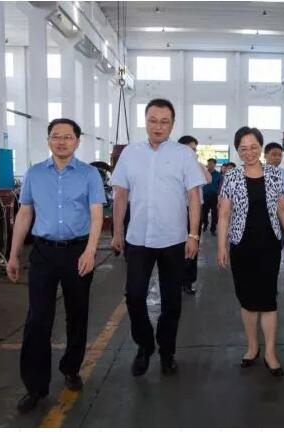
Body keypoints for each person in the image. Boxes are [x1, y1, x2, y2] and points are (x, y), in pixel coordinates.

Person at [6, 118, 105, 413]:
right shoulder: (35, 174)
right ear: (48, 140)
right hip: (43, 254)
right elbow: (25, 214)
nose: (61, 141)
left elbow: (96, 214)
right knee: (38, 319)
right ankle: (35, 387)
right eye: (56, 136)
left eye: (67, 136)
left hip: (78, 251)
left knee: (77, 314)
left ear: (77, 141)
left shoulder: (89, 174)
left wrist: (90, 251)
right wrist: (13, 254)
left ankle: (71, 368)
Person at [111, 99, 205, 377]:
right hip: (138, 239)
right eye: (153, 120)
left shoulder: (183, 155)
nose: (158, 126)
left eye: (164, 122)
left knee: (171, 300)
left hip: (174, 239)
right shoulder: (130, 154)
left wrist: (193, 235)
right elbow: (121, 195)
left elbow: (194, 197)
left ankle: (167, 351)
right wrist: (117, 232)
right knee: (134, 295)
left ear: (172, 125)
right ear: (146, 121)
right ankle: (144, 345)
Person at [217, 127, 284, 378]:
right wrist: (221, 247)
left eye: (253, 147)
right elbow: (224, 214)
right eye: (243, 148)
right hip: (241, 246)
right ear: (237, 150)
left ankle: (270, 353)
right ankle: (252, 347)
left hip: (269, 246)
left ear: (261, 148)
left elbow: (282, 208)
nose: (249, 152)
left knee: (268, 299)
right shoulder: (231, 177)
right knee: (247, 300)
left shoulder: (274, 174)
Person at [178, 135, 212, 295]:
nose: (194, 152)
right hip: (179, 211)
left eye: (195, 150)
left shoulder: (197, 166)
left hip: (195, 211)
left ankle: (188, 281)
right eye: (191, 149)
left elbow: (208, 179)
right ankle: (176, 279)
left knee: (192, 245)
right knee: (177, 247)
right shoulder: (175, 165)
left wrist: (197, 163)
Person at [201, 158, 221, 235]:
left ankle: (213, 229)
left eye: (211, 164)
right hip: (205, 195)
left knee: (214, 213)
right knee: (204, 212)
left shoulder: (218, 175)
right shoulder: (204, 173)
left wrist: (219, 196)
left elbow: (220, 186)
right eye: (209, 163)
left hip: (214, 196)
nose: (210, 165)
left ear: (215, 165)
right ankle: (205, 225)